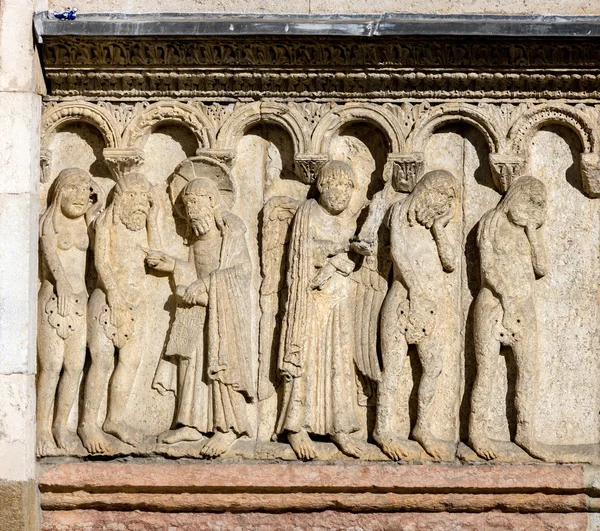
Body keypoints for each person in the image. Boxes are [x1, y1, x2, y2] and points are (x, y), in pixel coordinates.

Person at [147, 177, 255, 457]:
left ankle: (227, 428)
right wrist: (171, 265)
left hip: (225, 315)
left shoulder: (230, 234)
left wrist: (206, 286)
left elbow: (242, 272)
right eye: (187, 204)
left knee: (220, 366)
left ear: (212, 202)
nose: (192, 209)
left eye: (196, 202)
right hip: (200, 312)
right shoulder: (197, 243)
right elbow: (192, 271)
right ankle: (190, 423)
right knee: (190, 361)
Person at [276, 160, 364, 460]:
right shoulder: (308, 213)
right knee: (307, 358)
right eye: (334, 184)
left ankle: (340, 426)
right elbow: (301, 254)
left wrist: (349, 255)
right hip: (310, 301)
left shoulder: (350, 222)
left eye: (346, 186)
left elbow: (352, 263)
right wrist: (338, 251)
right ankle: (295, 426)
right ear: (321, 186)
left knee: (338, 361)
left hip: (339, 301)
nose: (340, 192)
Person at [374, 170, 458, 461]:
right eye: (441, 195)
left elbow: (450, 263)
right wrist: (417, 292)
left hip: (431, 308)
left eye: (448, 200)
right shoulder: (399, 211)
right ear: (427, 190)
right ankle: (383, 431)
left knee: (433, 366)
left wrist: (439, 229)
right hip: (402, 302)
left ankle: (422, 426)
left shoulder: (434, 225)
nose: (443, 204)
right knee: (393, 370)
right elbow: (398, 253)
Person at [78, 173, 161, 453]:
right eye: (134, 197)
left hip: (138, 303)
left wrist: (153, 219)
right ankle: (88, 423)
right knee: (101, 362)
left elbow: (155, 257)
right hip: (108, 300)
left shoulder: (142, 228)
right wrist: (115, 296)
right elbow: (101, 261)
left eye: (145, 199)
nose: (140, 204)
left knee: (130, 362)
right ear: (121, 198)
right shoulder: (107, 222)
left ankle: (114, 419)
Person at [469, 176, 548, 460]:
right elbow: (487, 269)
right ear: (514, 197)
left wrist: (533, 232)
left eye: (538, 205)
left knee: (527, 371)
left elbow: (541, 267)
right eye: (528, 201)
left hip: (523, 308)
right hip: (494, 305)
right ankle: (477, 433)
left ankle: (525, 433)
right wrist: (507, 299)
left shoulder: (528, 231)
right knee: (486, 370)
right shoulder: (491, 221)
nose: (531, 208)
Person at [37, 168, 100, 456]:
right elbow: (51, 260)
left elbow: (100, 251)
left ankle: (61, 425)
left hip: (79, 301)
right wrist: (61, 282)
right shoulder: (49, 223)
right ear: (60, 191)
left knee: (75, 366)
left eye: (85, 191)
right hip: (55, 300)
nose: (80, 196)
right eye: (73, 188)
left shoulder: (86, 223)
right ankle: (41, 429)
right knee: (51, 367)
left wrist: (94, 208)